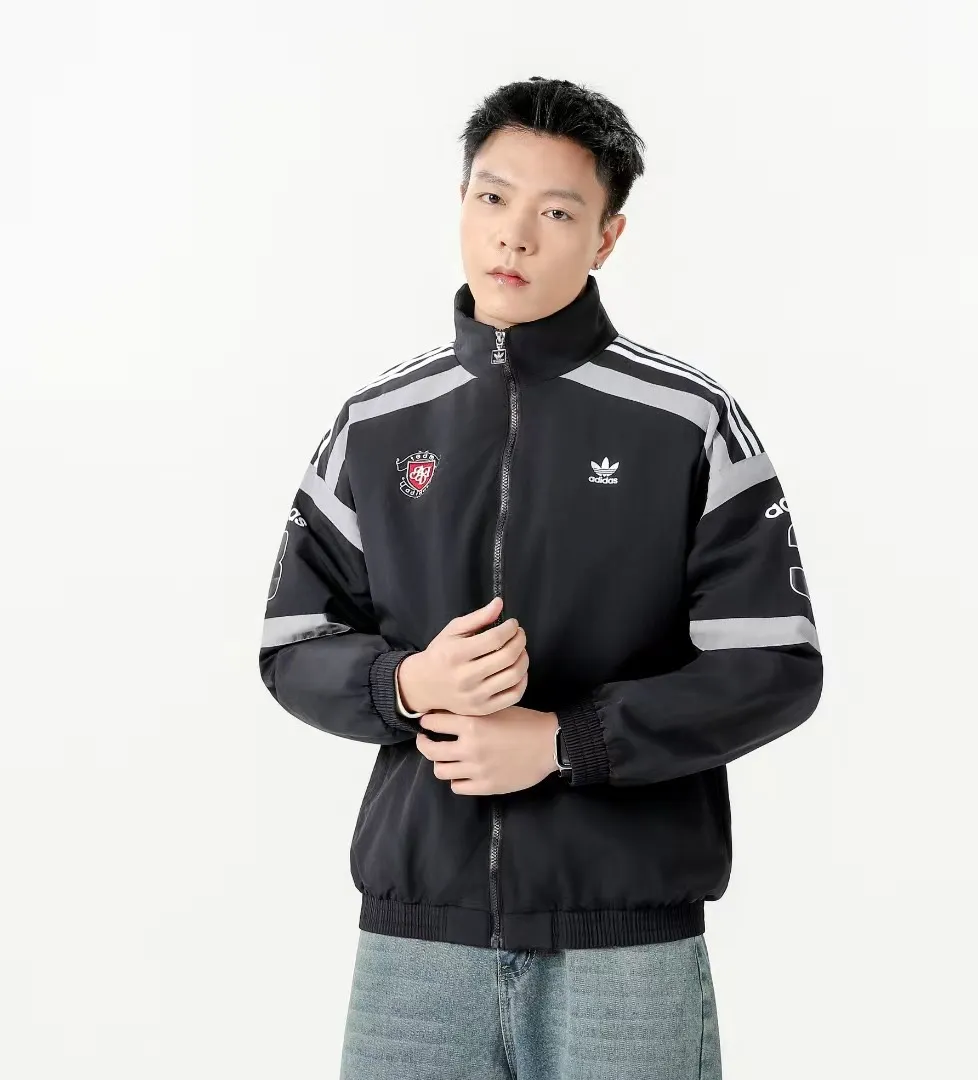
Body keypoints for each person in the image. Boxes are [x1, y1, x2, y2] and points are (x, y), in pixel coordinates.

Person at [257, 75, 823, 1080]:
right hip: (415, 944)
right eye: (493, 197)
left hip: (625, 947)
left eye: (557, 212)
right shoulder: (376, 424)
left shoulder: (688, 422)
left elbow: (773, 667)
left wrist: (565, 742)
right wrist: (407, 683)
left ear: (607, 237)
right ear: (461, 203)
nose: (514, 236)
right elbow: (293, 642)